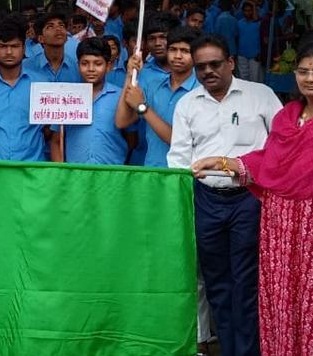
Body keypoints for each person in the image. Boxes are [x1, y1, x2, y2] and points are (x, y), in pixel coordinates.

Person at [192, 39, 313, 355]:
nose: (310, 78)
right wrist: (224, 162)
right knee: (281, 301)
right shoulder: (287, 116)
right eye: (303, 71)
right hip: (279, 228)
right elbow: (270, 160)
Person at [168, 34, 282, 356]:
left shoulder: (261, 96)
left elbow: (282, 144)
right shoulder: (187, 104)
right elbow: (178, 158)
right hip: (206, 200)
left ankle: (247, 351)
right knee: (217, 283)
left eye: (215, 64)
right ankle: (230, 349)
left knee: (246, 282)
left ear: (230, 63)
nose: (208, 71)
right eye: (201, 66)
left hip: (250, 198)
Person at [118, 24, 199, 169]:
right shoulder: (154, 85)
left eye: (185, 51)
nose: (178, 56)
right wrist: (130, 75)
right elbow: (122, 121)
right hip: (152, 169)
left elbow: (178, 140)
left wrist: (143, 107)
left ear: (196, 55)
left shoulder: (201, 90)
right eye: (173, 50)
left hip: (185, 173)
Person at [0, 18, 50, 162]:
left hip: (33, 167)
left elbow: (50, 129)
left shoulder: (43, 84)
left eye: (14, 46)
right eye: (2, 46)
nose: (8, 52)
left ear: (24, 48)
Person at [57, 37, 131, 165]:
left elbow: (132, 139)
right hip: (75, 174)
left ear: (108, 66)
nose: (91, 69)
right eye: (85, 63)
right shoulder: (66, 96)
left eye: (98, 64)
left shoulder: (121, 97)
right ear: (78, 65)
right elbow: (56, 139)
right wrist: (61, 172)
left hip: (112, 173)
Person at [26, 11, 81, 83]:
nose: (58, 29)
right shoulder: (26, 67)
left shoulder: (77, 69)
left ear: (67, 37)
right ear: (40, 38)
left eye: (61, 25)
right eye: (50, 26)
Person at [235, 2, 263, 82]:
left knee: (254, 78)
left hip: (255, 55)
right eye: (246, 11)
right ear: (242, 11)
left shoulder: (258, 23)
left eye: (250, 10)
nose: (248, 13)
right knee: (243, 78)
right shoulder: (239, 23)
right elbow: (237, 37)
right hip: (242, 54)